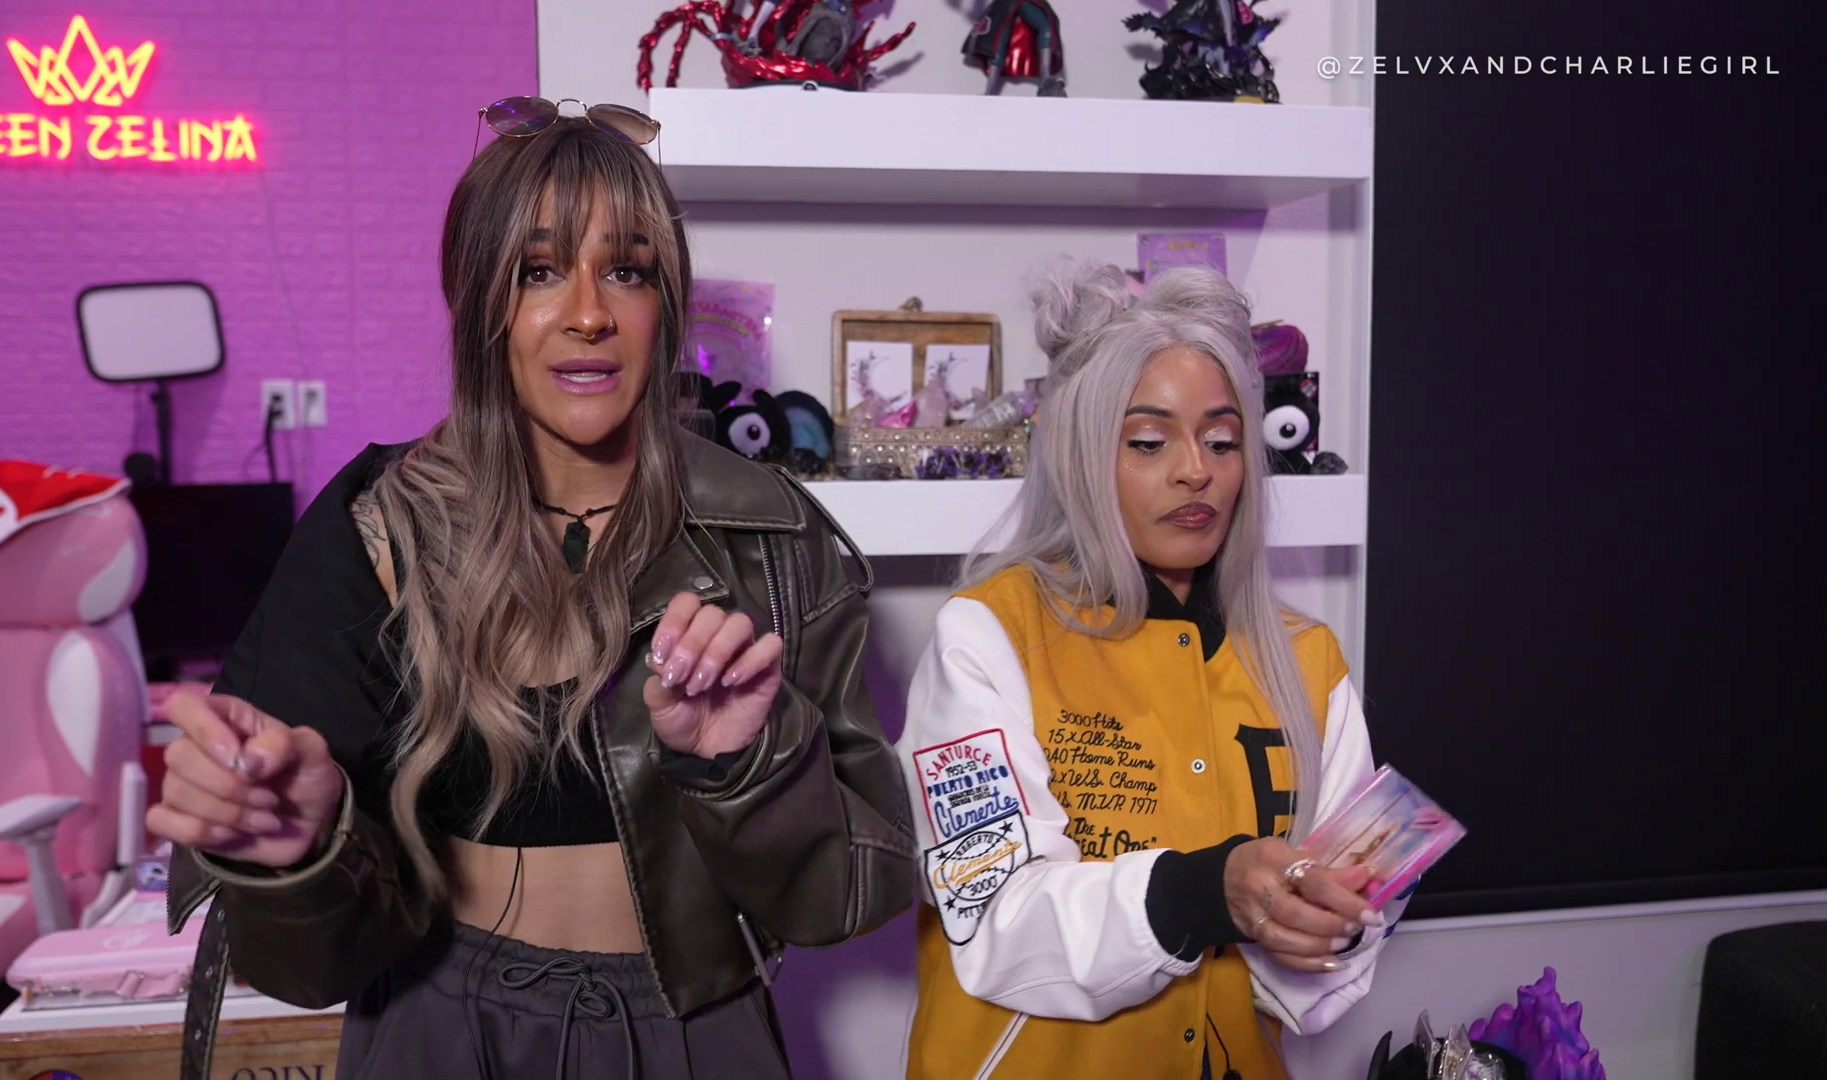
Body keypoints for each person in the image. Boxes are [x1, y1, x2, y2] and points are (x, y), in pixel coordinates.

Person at [149, 100, 915, 1079]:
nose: (589, 313)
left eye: (627, 270)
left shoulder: (772, 535)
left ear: (666, 304)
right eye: (538, 270)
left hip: (693, 1034)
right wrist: (302, 847)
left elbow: (851, 896)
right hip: (436, 1028)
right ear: (479, 301)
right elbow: (302, 965)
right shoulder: (378, 530)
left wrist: (748, 763)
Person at [896, 260, 1402, 1079]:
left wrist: (1332, 925)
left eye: (1222, 440)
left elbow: (1323, 977)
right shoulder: (986, 638)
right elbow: (989, 920)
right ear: (1082, 454)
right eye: (1148, 441)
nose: (1195, 469)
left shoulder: (1308, 663)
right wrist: (1206, 892)